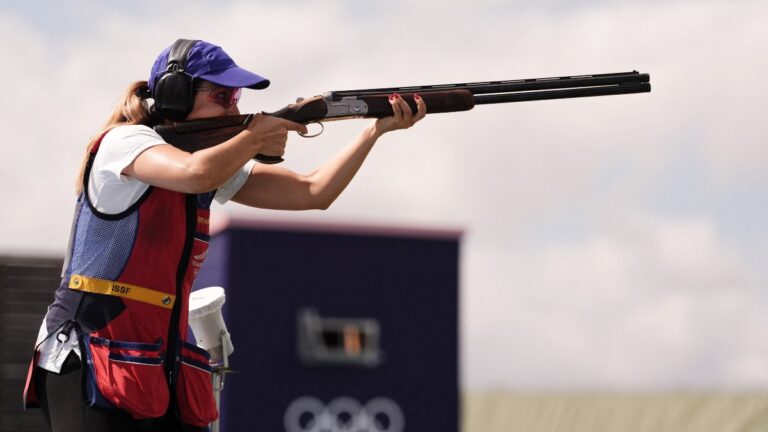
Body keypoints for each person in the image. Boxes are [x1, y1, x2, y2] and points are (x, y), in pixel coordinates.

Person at [23, 39, 426, 432]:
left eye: (236, 95)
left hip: (157, 363)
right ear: (176, 95)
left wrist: (373, 132)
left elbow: (313, 192)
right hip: (91, 352)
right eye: (222, 93)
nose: (235, 104)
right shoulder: (124, 142)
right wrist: (253, 138)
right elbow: (195, 172)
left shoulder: (209, 164)